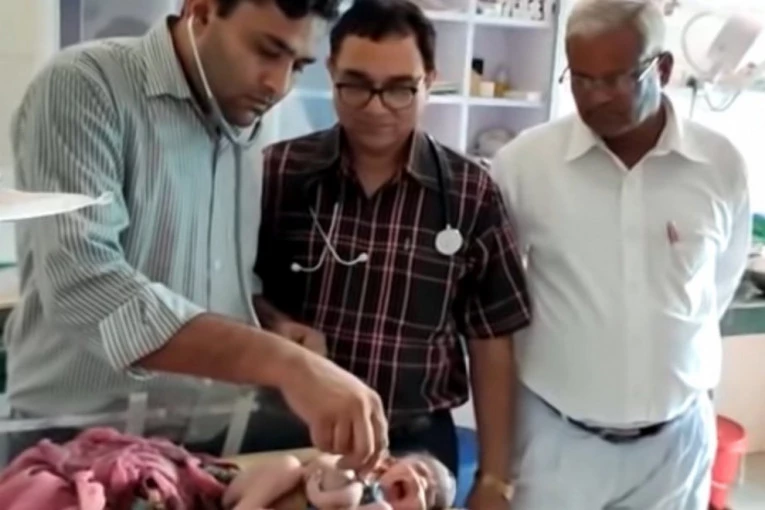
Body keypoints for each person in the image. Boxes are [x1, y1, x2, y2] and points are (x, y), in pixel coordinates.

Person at [3, 0, 388, 470]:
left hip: (203, 442)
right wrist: (286, 364)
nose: (279, 85)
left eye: (299, 65)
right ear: (201, 10)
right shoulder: (85, 85)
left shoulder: (245, 116)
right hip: (70, 450)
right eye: (267, 51)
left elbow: (212, 278)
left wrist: (270, 325)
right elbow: (86, 286)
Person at [252, 0, 530, 508]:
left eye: (400, 88)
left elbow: (492, 340)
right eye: (357, 85)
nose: (377, 108)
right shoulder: (278, 174)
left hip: (416, 446)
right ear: (331, 73)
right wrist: (277, 324)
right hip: (292, 436)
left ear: (431, 81)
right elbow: (233, 292)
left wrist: (494, 478)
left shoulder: (470, 195)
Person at [490, 0, 752, 509]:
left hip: (675, 449)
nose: (594, 97)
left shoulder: (719, 166)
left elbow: (716, 287)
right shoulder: (523, 166)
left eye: (614, 79)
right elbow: (495, 307)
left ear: (664, 69)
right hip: (558, 445)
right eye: (581, 79)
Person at [224, 450, 456, 510]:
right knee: (287, 465)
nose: (422, 483)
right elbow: (320, 466)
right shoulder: (359, 470)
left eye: (428, 494)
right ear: (389, 463)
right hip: (260, 495)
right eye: (419, 471)